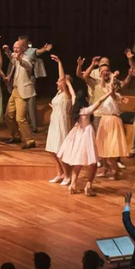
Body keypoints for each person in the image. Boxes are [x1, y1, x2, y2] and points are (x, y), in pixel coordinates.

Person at [56, 86, 115, 196]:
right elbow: (100, 100)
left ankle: (73, 184)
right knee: (92, 164)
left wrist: (69, 84)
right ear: (86, 99)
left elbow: (73, 95)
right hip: (86, 135)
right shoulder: (87, 110)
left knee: (78, 162)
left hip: (78, 134)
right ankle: (88, 186)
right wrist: (110, 93)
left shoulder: (76, 109)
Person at [4, 37, 37, 149]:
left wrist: (19, 59)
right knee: (8, 115)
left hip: (23, 91)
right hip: (15, 90)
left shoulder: (27, 58)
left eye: (17, 48)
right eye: (14, 48)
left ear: (23, 48)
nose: (15, 50)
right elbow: (12, 59)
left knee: (20, 118)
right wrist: (8, 51)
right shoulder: (15, 58)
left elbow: (28, 66)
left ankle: (30, 140)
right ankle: (16, 136)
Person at [46, 55, 73, 183]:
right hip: (54, 123)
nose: (57, 82)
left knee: (59, 150)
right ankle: (60, 173)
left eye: (59, 81)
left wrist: (59, 62)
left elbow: (62, 78)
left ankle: (68, 175)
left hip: (62, 123)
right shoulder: (58, 94)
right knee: (52, 150)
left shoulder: (67, 94)